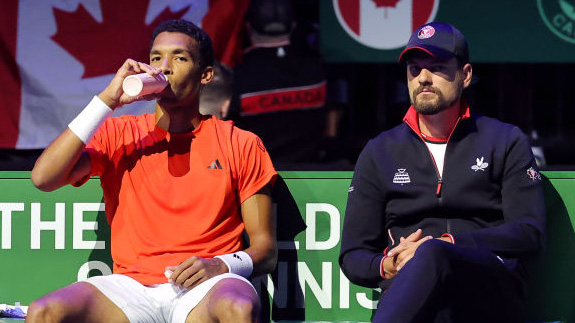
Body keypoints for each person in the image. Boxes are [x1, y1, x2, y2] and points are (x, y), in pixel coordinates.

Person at [26, 19, 277, 323]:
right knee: (44, 312)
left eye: (179, 58)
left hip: (208, 285)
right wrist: (107, 100)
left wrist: (220, 265)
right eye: (156, 57)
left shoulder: (240, 142)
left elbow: (266, 249)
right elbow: (43, 178)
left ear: (205, 75)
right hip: (130, 287)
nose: (164, 67)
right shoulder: (119, 133)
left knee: (239, 308)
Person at [339, 22, 545, 322]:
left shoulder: (504, 140)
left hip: (489, 289)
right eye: (414, 69)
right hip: (416, 295)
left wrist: (449, 243)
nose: (423, 78)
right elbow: (353, 255)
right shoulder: (380, 151)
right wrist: (387, 266)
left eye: (436, 67)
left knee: (433, 253)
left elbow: (529, 233)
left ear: (466, 75)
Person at [228, 0, 344, 169]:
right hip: (312, 170)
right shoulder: (319, 69)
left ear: (248, 27)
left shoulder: (234, 76)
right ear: (294, 26)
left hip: (257, 174)